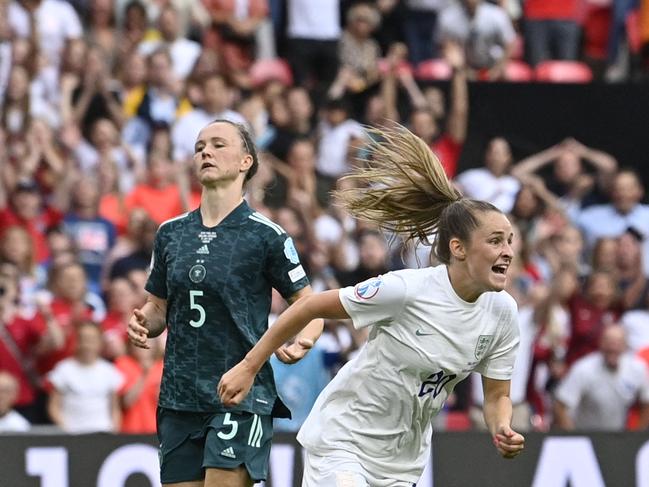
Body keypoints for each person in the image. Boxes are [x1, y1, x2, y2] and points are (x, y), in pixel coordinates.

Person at [219, 126, 525, 486]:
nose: (507, 251)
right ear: (458, 248)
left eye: (509, 241)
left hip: (402, 463)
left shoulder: (503, 312)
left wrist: (501, 424)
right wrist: (249, 366)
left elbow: (498, 394)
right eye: (494, 241)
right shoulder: (407, 291)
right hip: (343, 440)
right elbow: (311, 306)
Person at [126, 119, 320, 487]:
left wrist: (305, 338)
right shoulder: (170, 233)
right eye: (200, 147)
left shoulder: (267, 236)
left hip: (239, 394)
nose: (206, 153)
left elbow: (309, 306)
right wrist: (143, 324)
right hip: (179, 396)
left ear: (246, 161)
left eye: (217, 145)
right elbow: (157, 310)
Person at [553, 325, 649, 431]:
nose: (613, 347)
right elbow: (560, 405)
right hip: (586, 432)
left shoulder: (637, 369)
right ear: (601, 344)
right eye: (609, 343)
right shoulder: (584, 369)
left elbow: (646, 402)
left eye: (618, 343)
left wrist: (637, 437)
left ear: (625, 346)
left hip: (618, 436)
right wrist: (575, 437)